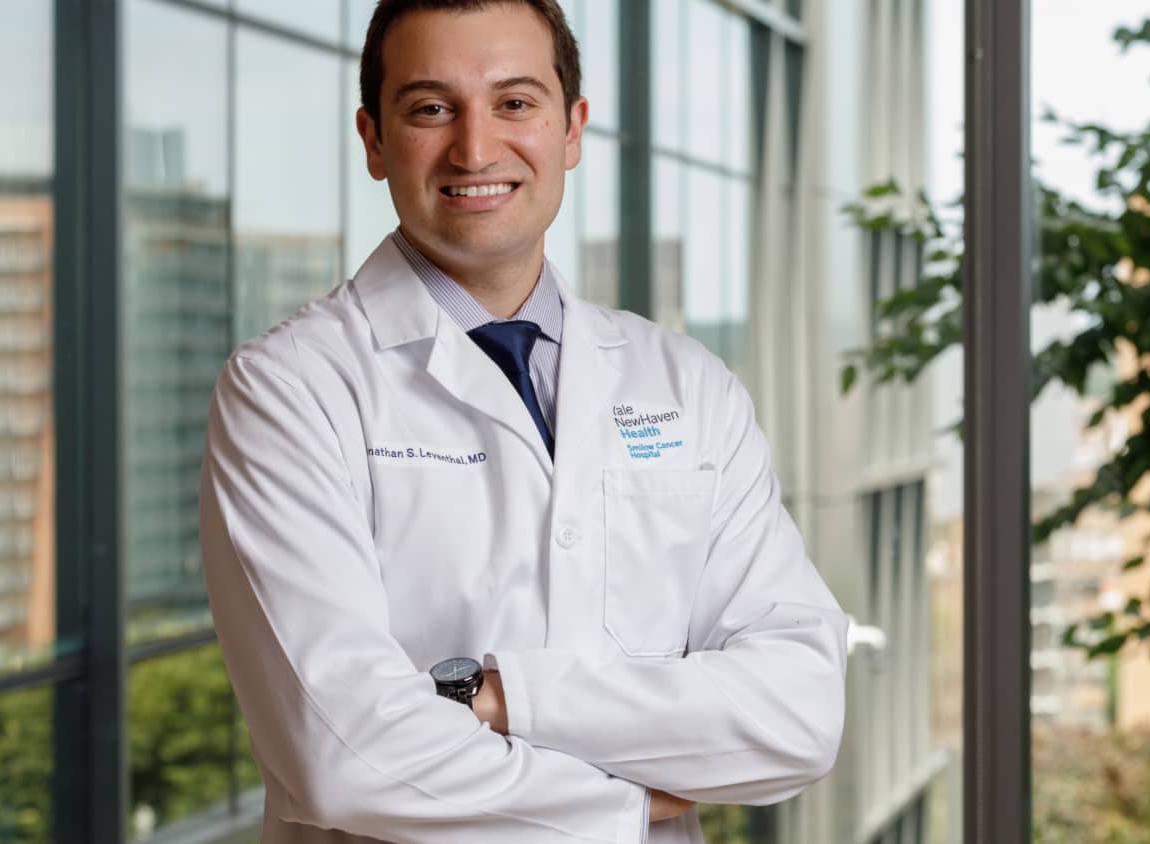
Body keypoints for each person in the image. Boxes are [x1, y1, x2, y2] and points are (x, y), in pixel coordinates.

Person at [197, 1, 848, 841]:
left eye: (515, 103)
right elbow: (343, 755)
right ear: (373, 139)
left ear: (572, 129)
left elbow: (797, 714)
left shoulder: (689, 387)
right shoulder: (287, 391)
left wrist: (498, 701)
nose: (475, 148)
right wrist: (629, 798)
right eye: (432, 109)